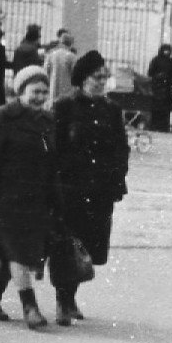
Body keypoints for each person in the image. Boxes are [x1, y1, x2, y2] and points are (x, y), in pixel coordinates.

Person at [0, 65, 59, 329]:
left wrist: (56, 198)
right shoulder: (3, 117)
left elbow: (51, 161)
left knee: (11, 254)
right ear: (20, 90)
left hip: (35, 200)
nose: (40, 97)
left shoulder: (47, 120)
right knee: (17, 253)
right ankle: (29, 307)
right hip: (5, 199)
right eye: (35, 91)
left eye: (44, 92)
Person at [51, 51, 130, 324]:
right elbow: (53, 147)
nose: (102, 82)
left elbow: (121, 148)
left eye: (105, 77)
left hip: (100, 190)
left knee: (88, 247)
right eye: (98, 77)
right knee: (67, 246)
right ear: (83, 78)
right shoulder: (64, 106)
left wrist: (118, 180)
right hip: (69, 189)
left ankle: (71, 294)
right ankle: (63, 299)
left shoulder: (112, 109)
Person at [147, 44, 172, 132]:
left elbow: (150, 72)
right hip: (163, 87)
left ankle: (156, 126)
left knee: (159, 108)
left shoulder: (156, 60)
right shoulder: (169, 61)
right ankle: (161, 126)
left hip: (160, 87)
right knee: (162, 108)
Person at [44, 29, 77, 105]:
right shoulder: (71, 56)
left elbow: (46, 71)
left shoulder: (51, 54)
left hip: (52, 87)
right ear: (71, 44)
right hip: (66, 88)